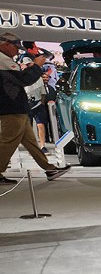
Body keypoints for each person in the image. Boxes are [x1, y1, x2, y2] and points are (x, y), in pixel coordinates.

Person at [0, 32, 71, 185]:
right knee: (8, 142)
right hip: (12, 109)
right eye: (15, 46)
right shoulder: (2, 60)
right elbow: (24, 80)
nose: (17, 50)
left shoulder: (5, 60)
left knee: (31, 143)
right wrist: (37, 67)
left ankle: (49, 168)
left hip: (15, 108)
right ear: (5, 44)